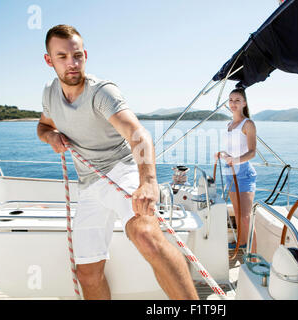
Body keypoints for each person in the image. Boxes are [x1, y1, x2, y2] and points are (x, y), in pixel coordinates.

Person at [37, 24, 198, 300]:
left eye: (77, 55)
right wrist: (51, 136)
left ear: (85, 55)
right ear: (49, 60)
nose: (72, 63)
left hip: (121, 172)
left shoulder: (102, 92)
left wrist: (148, 182)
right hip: (88, 187)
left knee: (146, 236)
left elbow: (138, 136)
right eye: (62, 57)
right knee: (87, 273)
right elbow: (42, 127)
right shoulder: (50, 94)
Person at [215, 88, 257, 250]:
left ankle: (254, 257)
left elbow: (252, 152)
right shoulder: (229, 125)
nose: (233, 103)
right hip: (229, 172)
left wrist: (236, 160)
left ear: (244, 103)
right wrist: (222, 154)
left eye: (237, 100)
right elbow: (231, 150)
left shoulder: (248, 124)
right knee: (238, 213)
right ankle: (241, 243)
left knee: (246, 217)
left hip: (244, 173)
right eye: (231, 100)